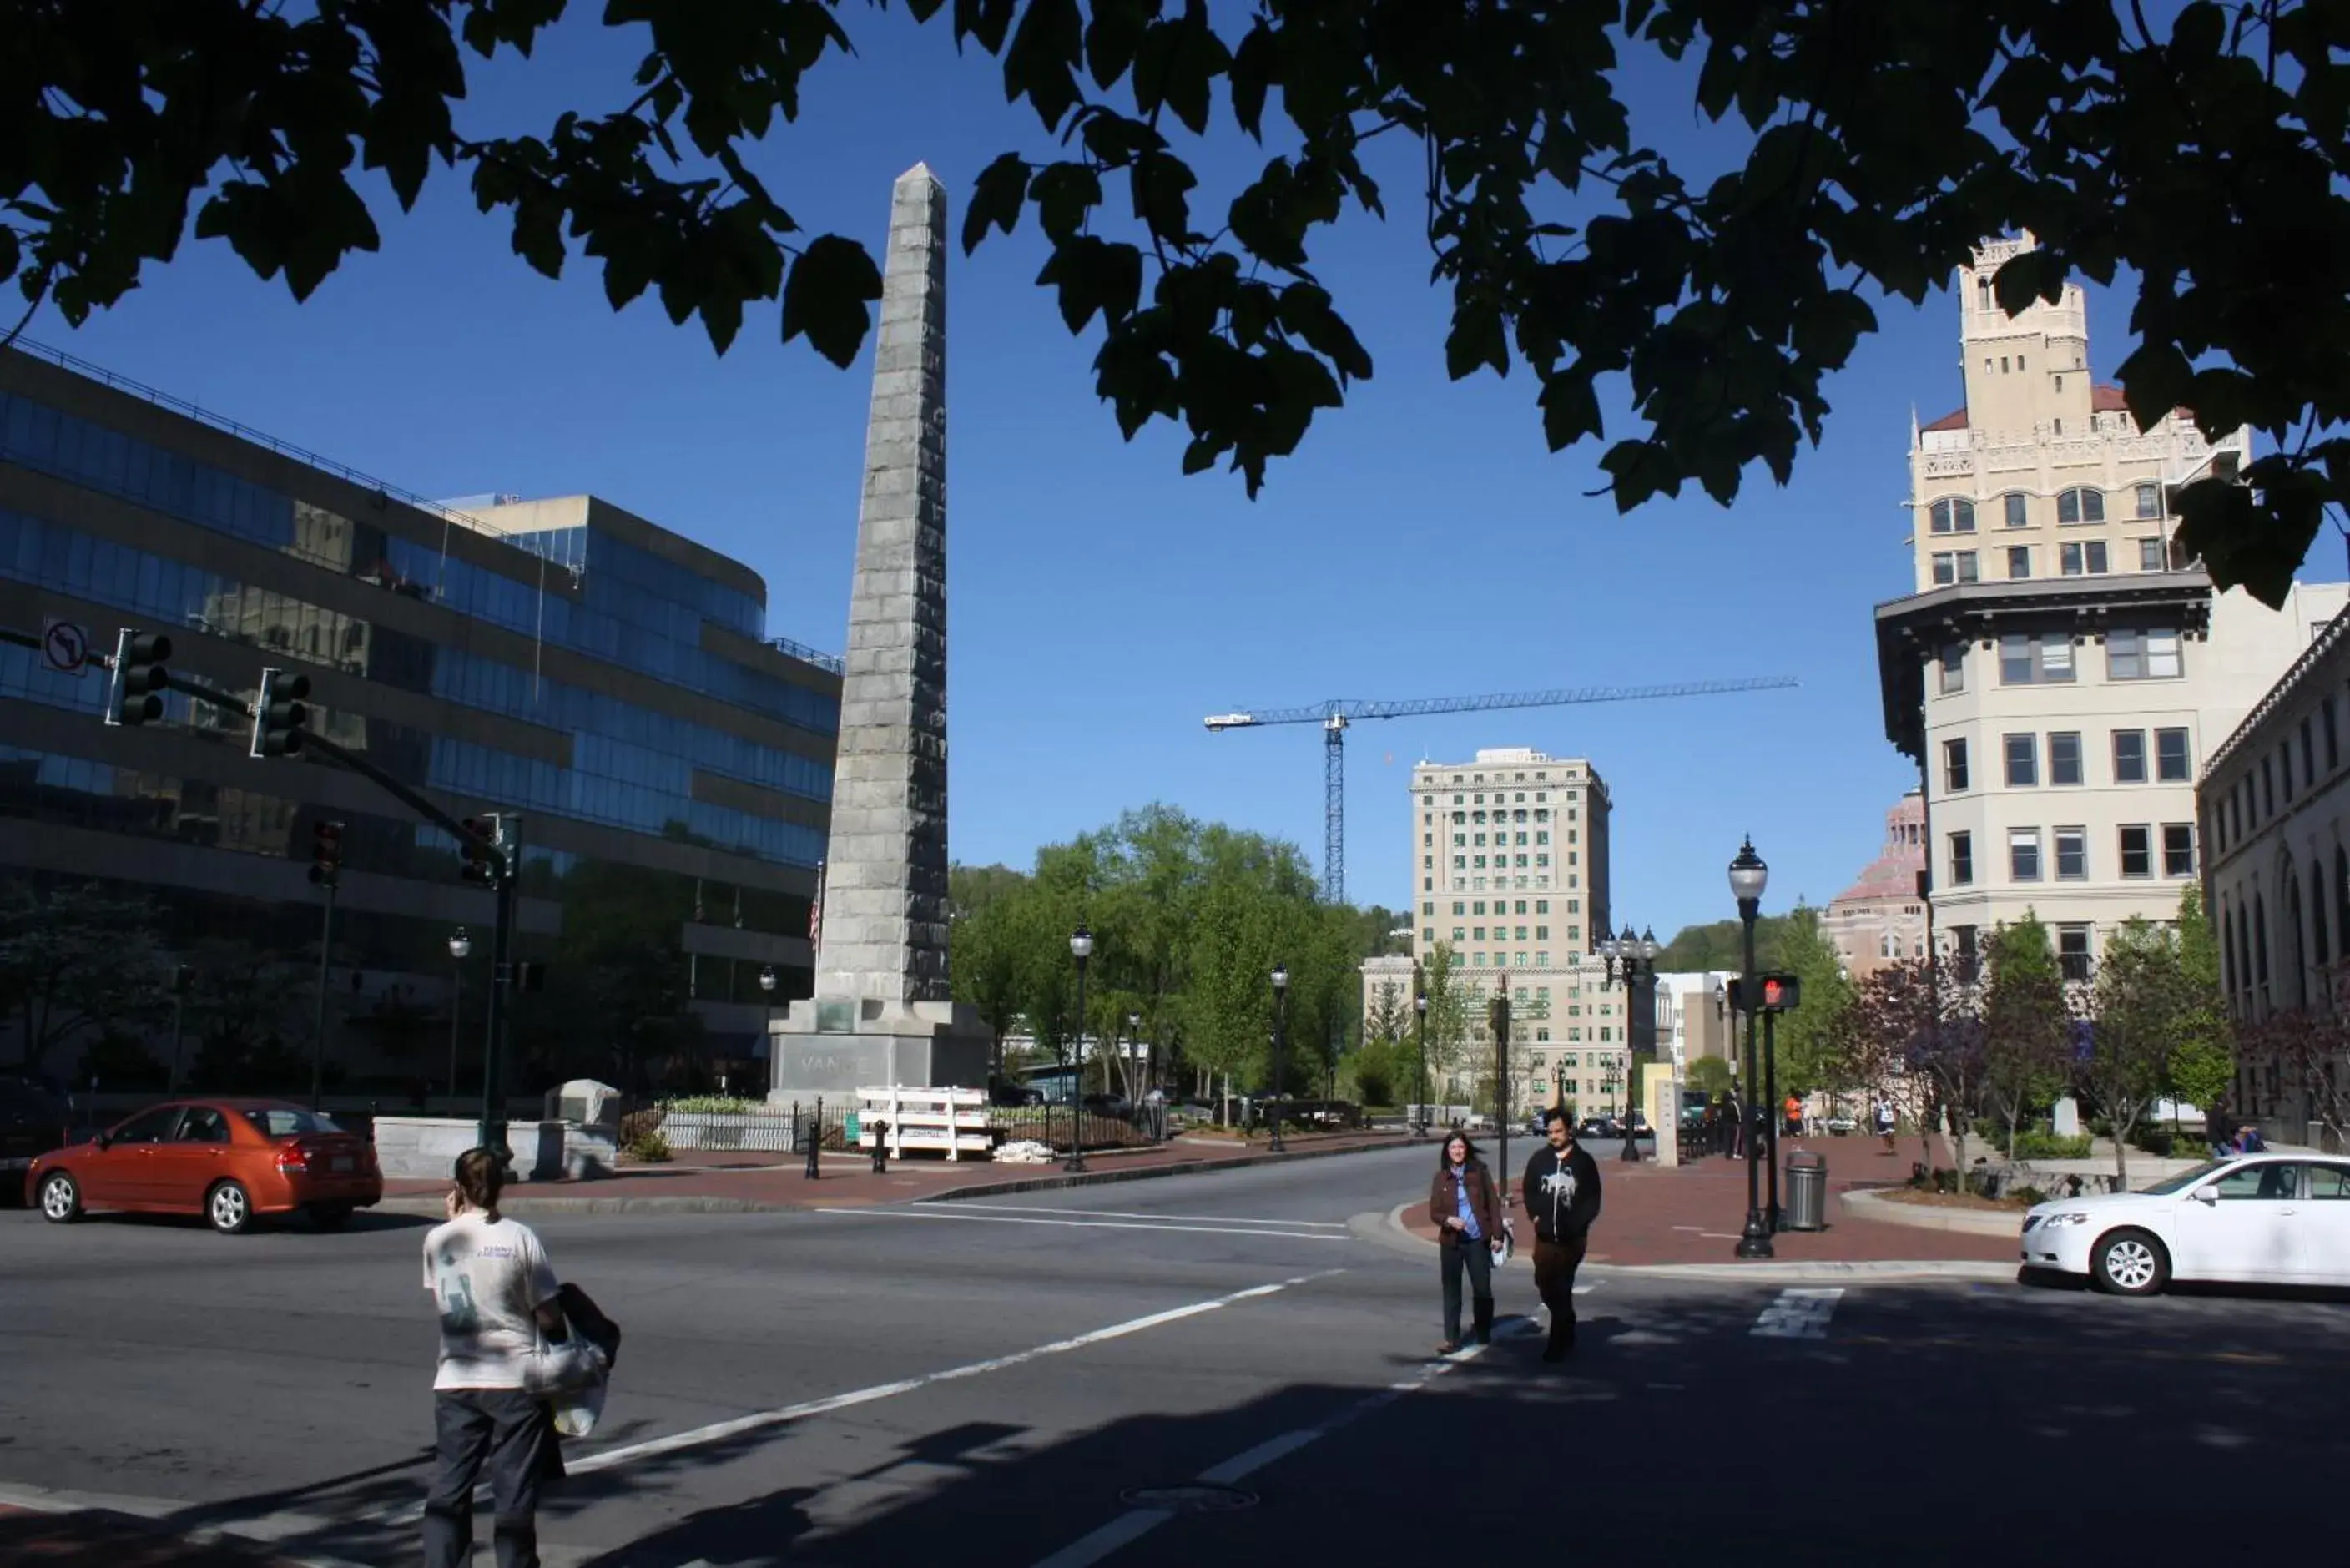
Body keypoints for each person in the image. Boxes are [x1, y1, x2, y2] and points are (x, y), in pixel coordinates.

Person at [422, 1148, 568, 1568]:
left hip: (456, 1378)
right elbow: (549, 1313)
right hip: (515, 1380)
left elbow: (453, 1300)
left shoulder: (437, 1240)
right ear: (500, 1187)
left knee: (450, 1488)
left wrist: (454, 1224)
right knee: (514, 1493)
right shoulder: (520, 1238)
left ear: (457, 1187)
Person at [1520, 1108, 1603, 1362]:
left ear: (1569, 1131)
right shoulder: (1539, 1160)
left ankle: (1557, 1343)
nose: (1553, 1136)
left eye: (1558, 1131)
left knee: (1562, 1285)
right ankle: (1566, 1320)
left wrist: (1579, 1224)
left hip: (1572, 1239)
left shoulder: (1584, 1162)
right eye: (1550, 1132)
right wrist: (1535, 1216)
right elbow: (1530, 1190)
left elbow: (1593, 1199)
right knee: (1544, 1282)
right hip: (1544, 1237)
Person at [1428, 1131, 1504, 1354]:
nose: (1457, 1151)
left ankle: (1483, 1331)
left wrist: (1497, 1235)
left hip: (1477, 1240)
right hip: (1451, 1242)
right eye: (1453, 1148)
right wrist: (1448, 1219)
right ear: (1447, 1152)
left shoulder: (1479, 1173)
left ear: (1466, 1149)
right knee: (1451, 1290)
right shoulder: (1441, 1178)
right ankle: (1451, 1339)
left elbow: (1493, 1205)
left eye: (1460, 1147)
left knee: (1482, 1288)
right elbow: (1434, 1211)